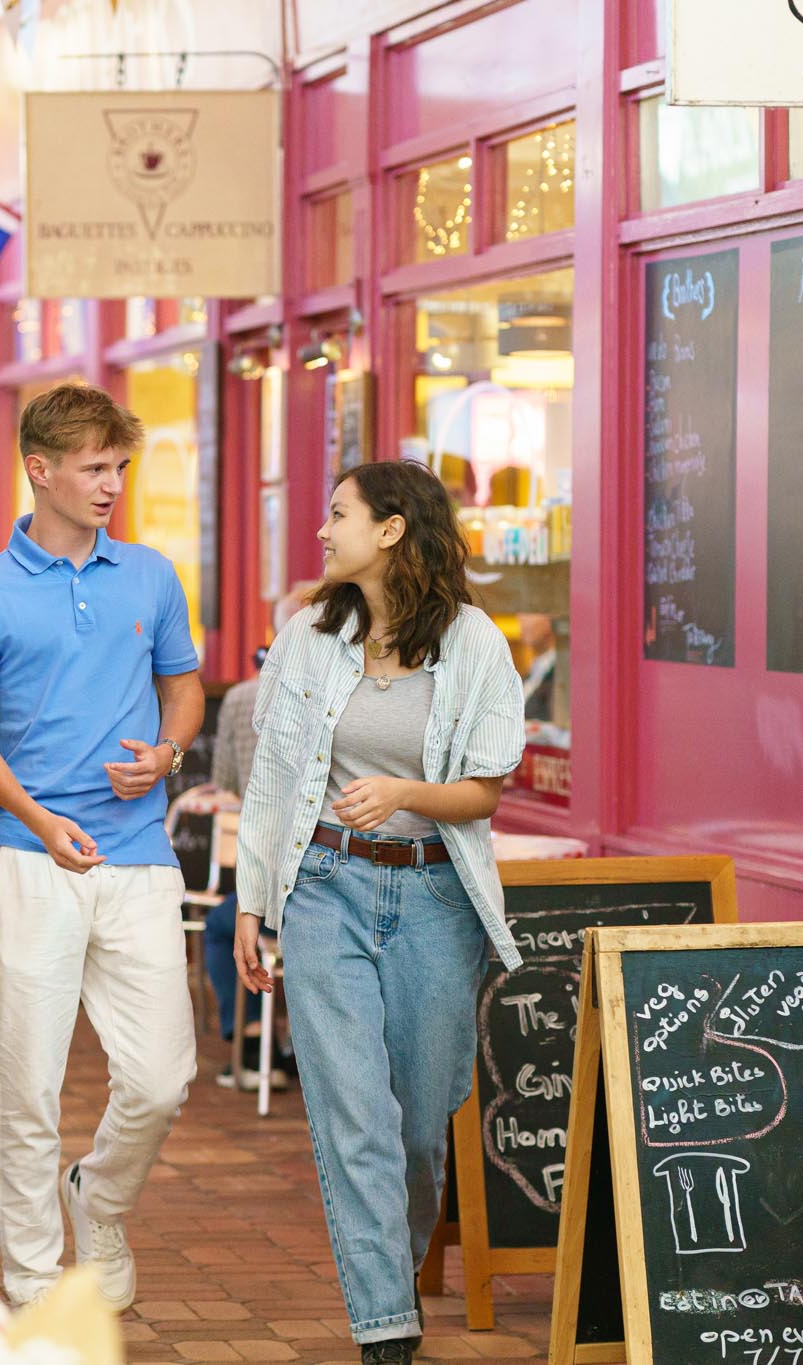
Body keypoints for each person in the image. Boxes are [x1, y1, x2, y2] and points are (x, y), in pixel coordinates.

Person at [233, 460, 525, 1365]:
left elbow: (483, 792)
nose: (322, 532)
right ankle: (386, 1332)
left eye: (337, 514)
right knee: (353, 1114)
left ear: (393, 528)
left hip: (437, 896)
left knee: (418, 1124)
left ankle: (387, 1283)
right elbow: (272, 780)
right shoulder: (307, 638)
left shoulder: (475, 645)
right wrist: (254, 900)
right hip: (325, 885)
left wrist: (405, 789)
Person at [0, 383, 204, 1311]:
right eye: (95, 468)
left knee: (164, 1073)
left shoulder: (151, 576)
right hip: (25, 855)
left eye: (120, 467)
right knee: (27, 1087)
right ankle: (32, 1281)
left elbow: (185, 689)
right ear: (40, 469)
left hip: (138, 854)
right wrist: (40, 818)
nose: (111, 485)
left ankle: (99, 1192)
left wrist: (169, 751)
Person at [199, 590, 309, 1090]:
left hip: (270, 877)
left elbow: (224, 782)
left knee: (225, 929)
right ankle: (277, 1042)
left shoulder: (245, 697)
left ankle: (252, 1040)